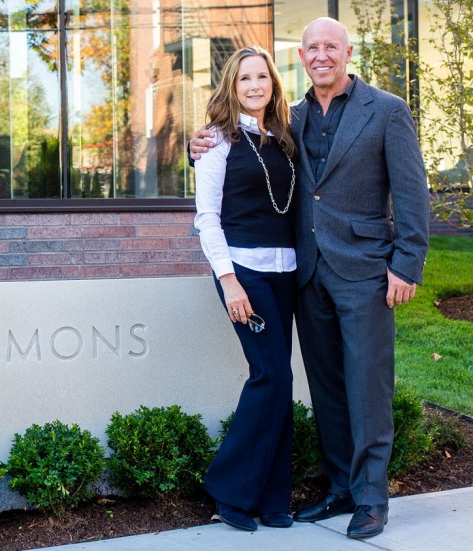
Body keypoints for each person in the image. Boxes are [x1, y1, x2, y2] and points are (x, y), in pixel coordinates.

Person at [190, 18, 430, 539]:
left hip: (367, 271)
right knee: (324, 386)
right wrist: (201, 142)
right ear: (300, 57)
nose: (322, 55)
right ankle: (341, 486)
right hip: (307, 272)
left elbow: (413, 195)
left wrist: (407, 263)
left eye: (331, 47)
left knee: (367, 385)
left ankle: (371, 499)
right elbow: (239, 151)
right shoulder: (287, 120)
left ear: (346, 52)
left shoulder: (387, 110)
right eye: (312, 48)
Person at [193, 45, 298, 533]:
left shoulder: (284, 136)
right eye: (244, 80)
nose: (255, 86)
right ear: (231, 87)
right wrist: (229, 280)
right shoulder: (216, 141)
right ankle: (229, 492)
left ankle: (274, 498)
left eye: (262, 77)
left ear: (273, 82)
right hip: (244, 274)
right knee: (269, 375)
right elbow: (206, 218)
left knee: (282, 382)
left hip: (287, 273)